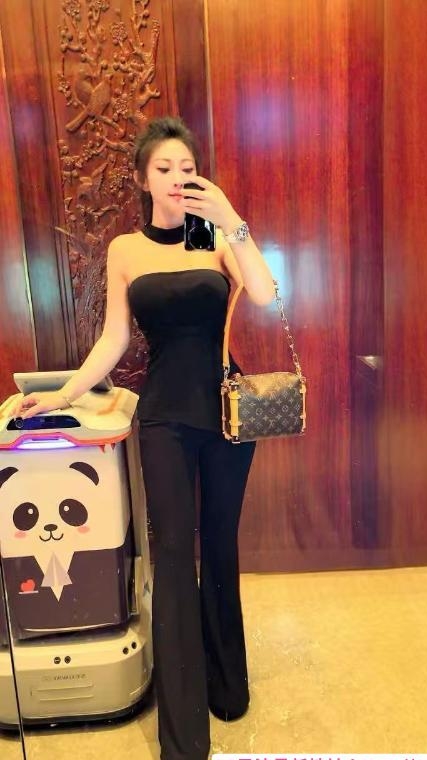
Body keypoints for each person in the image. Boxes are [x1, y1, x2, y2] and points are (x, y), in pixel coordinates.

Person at [15, 115, 275, 760]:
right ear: (142, 178)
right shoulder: (125, 250)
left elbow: (266, 294)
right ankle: (184, 739)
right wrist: (64, 395)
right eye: (165, 168)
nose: (178, 178)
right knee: (173, 557)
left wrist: (232, 220)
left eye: (188, 168)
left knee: (219, 548)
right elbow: (115, 338)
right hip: (164, 418)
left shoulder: (217, 239)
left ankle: (227, 688)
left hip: (226, 416)